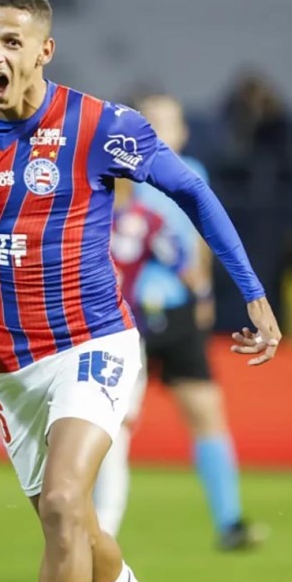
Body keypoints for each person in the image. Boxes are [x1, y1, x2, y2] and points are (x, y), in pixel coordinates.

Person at [0, 0, 281, 582]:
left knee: (63, 502)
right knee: (73, 522)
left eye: (12, 42)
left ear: (44, 51)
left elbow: (191, 191)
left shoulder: (99, 125)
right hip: (9, 369)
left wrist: (252, 291)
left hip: (93, 343)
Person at [96, 93, 268, 550]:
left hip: (177, 310)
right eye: (148, 120)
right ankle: (95, 529)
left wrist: (203, 292)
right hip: (123, 314)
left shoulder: (192, 173)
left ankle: (229, 522)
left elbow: (200, 237)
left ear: (182, 131)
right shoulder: (117, 173)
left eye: (165, 121)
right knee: (112, 424)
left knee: (205, 409)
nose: (156, 129)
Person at [93, 176, 184, 539]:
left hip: (124, 339)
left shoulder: (147, 219)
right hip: (70, 339)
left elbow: (181, 260)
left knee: (116, 436)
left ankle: (104, 533)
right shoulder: (71, 208)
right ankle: (89, 529)